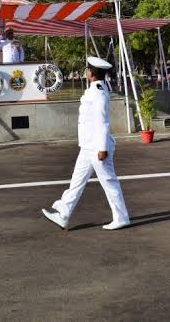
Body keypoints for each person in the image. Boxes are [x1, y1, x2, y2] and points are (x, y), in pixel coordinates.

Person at [42, 56, 130, 231]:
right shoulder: (94, 89)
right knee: (76, 181)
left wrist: (102, 148)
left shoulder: (98, 92)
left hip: (97, 147)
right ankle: (63, 215)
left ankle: (121, 218)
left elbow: (101, 121)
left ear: (92, 73)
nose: (86, 71)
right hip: (87, 146)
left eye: (87, 69)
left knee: (109, 183)